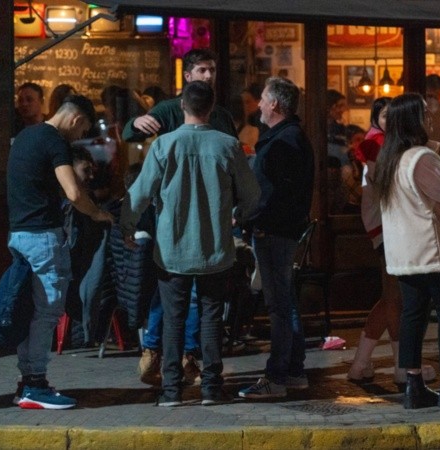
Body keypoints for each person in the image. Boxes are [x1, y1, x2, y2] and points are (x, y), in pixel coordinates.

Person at [120, 81, 260, 406]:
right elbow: (253, 195)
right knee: (212, 316)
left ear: (183, 105)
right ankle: (211, 387)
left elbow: (139, 193)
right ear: (211, 108)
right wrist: (238, 214)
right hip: (216, 250)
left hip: (171, 251)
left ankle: (172, 391)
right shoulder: (228, 145)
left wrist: (127, 225)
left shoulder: (163, 145)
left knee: (173, 318)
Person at [7, 94, 113, 409]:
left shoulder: (27, 135)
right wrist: (97, 213)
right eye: (82, 130)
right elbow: (73, 191)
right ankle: (34, 385)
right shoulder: (55, 141)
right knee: (47, 311)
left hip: (19, 234)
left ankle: (28, 381)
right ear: (77, 119)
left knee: (32, 311)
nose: (80, 137)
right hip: (42, 238)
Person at [374, 92, 440, 410]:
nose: (430, 118)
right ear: (413, 119)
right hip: (431, 250)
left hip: (404, 253)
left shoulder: (389, 158)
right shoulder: (419, 158)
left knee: (413, 316)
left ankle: (414, 385)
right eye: (424, 113)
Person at [238, 77, 315, 400]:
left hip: (274, 231)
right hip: (282, 230)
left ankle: (277, 376)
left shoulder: (285, 141)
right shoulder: (291, 137)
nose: (258, 105)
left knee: (279, 306)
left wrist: (247, 217)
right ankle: (294, 370)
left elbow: (272, 194)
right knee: (286, 302)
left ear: (276, 105)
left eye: (264, 100)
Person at [346, 97, 410, 386]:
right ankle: (401, 366)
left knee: (389, 298)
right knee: (395, 298)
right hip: (387, 227)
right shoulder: (377, 142)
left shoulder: (376, 140)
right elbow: (388, 183)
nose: (389, 120)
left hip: (381, 227)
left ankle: (360, 365)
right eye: (384, 115)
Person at [122, 49, 236, 142]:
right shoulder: (168, 109)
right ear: (188, 76)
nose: (209, 76)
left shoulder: (223, 115)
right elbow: (129, 136)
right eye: (202, 70)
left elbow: (234, 147)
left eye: (212, 70)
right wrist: (135, 124)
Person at [327, 89, 350, 165]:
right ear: (329, 107)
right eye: (339, 106)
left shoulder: (340, 128)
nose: (343, 110)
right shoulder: (317, 128)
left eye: (344, 106)